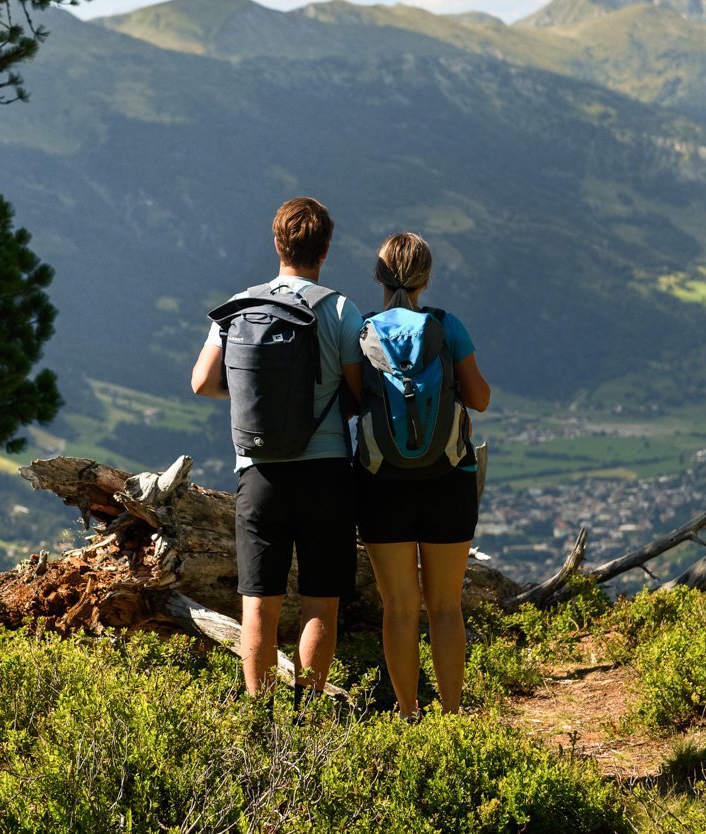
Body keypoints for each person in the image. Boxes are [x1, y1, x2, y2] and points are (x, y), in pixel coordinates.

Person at [190, 197, 364, 695]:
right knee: (320, 601)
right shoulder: (339, 309)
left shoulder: (241, 306)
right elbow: (357, 393)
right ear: (325, 249)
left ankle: (258, 722)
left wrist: (249, 391)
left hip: (259, 472)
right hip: (326, 471)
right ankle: (306, 719)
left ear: (276, 243)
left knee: (258, 602)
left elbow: (202, 381)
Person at [357, 232, 491, 717]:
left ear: (379, 275)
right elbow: (479, 399)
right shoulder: (448, 327)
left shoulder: (364, 329)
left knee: (398, 607)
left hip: (380, 483)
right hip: (447, 478)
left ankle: (410, 714)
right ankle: (453, 718)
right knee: (445, 606)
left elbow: (353, 404)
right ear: (426, 278)